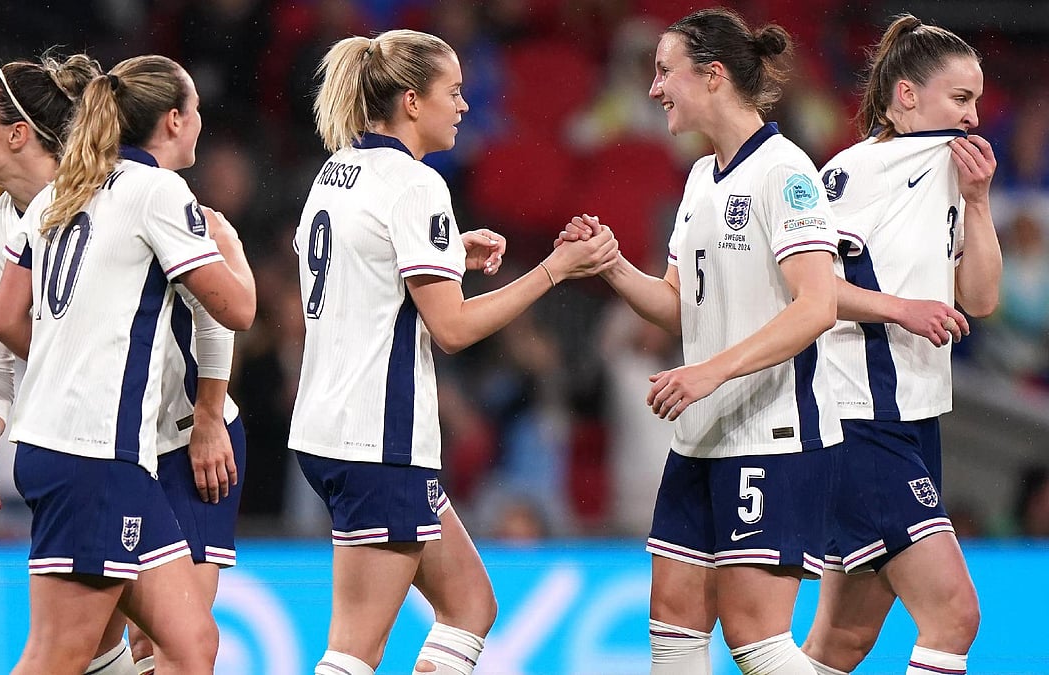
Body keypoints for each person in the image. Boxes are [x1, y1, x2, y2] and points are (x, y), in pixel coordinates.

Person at [288, 28, 619, 675]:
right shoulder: (415, 186)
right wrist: (553, 269)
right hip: (378, 441)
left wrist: (440, 254)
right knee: (354, 649)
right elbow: (454, 328)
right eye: (455, 91)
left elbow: (350, 267)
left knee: (470, 603)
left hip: (330, 428)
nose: (465, 106)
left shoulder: (337, 169)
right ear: (412, 101)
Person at [561, 8, 841, 673]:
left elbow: (818, 305)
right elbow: (676, 305)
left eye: (665, 72)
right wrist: (611, 263)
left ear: (713, 76)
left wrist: (710, 372)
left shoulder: (785, 172)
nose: (653, 89)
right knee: (673, 624)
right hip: (700, 436)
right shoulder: (698, 178)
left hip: (773, 435)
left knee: (757, 642)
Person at [0, 54, 256, 675]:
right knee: (58, 653)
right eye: (194, 112)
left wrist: (66, 354)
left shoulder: (62, 189)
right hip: (92, 454)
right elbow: (237, 310)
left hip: (85, 449)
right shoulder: (158, 192)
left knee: (193, 645)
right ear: (171, 119)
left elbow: (5, 317)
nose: (199, 124)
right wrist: (230, 246)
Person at [800, 15, 1000, 675]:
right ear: (907, 96)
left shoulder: (948, 172)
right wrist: (901, 309)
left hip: (915, 421)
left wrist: (977, 203)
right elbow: (806, 287)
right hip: (860, 421)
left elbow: (982, 298)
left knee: (841, 642)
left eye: (977, 100)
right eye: (960, 99)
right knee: (954, 614)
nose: (974, 115)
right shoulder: (860, 172)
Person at [0, 52, 143, 675]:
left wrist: (211, 412)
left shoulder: (120, 193)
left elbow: (202, 314)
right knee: (136, 643)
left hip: (155, 441)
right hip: (86, 448)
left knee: (148, 643)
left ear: (17, 133)